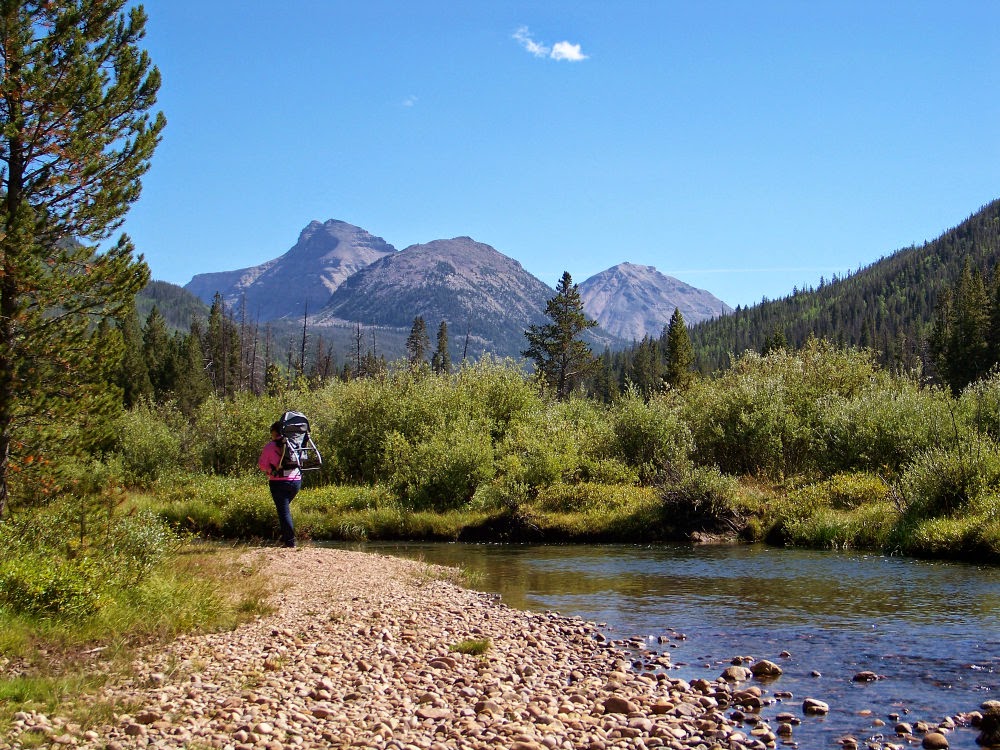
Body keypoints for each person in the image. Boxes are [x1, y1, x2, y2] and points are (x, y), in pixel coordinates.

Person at [257, 420, 301, 547]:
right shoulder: (294, 443)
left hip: (279, 483)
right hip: (296, 481)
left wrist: (270, 470)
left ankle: (290, 542)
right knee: (284, 510)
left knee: (284, 511)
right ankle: (286, 537)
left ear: (275, 432)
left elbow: (262, 465)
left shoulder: (270, 446)